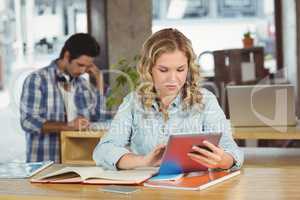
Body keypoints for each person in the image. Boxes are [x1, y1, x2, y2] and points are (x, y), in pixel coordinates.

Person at [93, 28, 244, 171]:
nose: (173, 79)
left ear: (189, 68)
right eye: (163, 70)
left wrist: (223, 160)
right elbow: (103, 150)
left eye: (180, 69)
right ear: (148, 68)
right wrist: (143, 161)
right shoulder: (133, 103)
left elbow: (231, 150)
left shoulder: (205, 101)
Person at [20, 33, 106, 163]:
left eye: (87, 67)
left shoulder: (82, 84)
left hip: (78, 162)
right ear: (67, 56)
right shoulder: (37, 79)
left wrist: (99, 80)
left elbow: (97, 118)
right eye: (80, 64)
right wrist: (68, 126)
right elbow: (28, 122)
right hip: (45, 162)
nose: (83, 71)